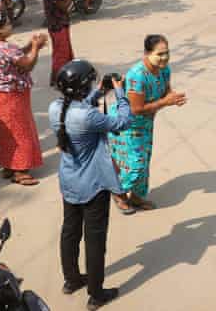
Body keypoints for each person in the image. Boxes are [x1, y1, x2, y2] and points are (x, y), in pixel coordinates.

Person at [50, 60, 133, 310]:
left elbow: (78, 109)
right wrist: (119, 92)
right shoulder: (88, 116)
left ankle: (71, 279)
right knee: (95, 239)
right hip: (93, 185)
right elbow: (122, 121)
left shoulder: (56, 108)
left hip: (69, 180)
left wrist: (99, 91)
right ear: (83, 86)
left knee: (70, 231)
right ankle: (96, 293)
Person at [110, 35, 187, 210]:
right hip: (127, 124)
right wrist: (165, 102)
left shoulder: (164, 69)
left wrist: (173, 98)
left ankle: (136, 197)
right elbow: (136, 108)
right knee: (134, 164)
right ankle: (118, 193)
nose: (165, 58)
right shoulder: (137, 75)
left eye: (167, 53)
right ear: (146, 54)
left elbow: (166, 91)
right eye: (160, 54)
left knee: (144, 162)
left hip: (146, 123)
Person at [0, 10, 47, 185]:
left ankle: (9, 165)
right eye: (7, 24)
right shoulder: (5, 47)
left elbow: (16, 54)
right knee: (20, 131)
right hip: (11, 94)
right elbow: (26, 65)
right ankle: (20, 170)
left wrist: (30, 46)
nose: (11, 27)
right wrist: (35, 48)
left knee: (6, 132)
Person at [44, 0, 81, 85]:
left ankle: (64, 76)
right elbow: (64, 6)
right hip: (59, 26)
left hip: (55, 26)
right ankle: (57, 79)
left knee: (61, 52)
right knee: (62, 54)